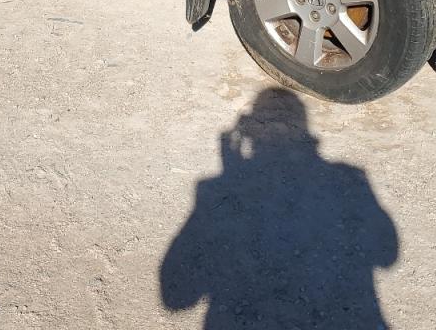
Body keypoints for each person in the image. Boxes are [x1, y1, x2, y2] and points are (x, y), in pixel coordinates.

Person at [161, 88, 398, 329]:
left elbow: (176, 298)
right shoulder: (350, 177)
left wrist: (228, 176)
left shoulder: (212, 189)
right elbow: (388, 253)